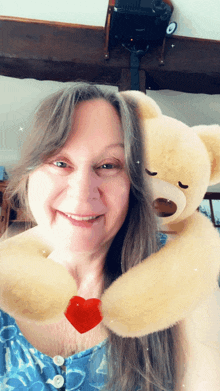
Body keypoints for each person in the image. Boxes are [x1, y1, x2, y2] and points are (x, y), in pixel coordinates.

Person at [0, 82, 184, 390]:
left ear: (132, 186)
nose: (82, 193)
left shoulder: (175, 289)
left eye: (109, 165)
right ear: (30, 176)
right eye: (60, 163)